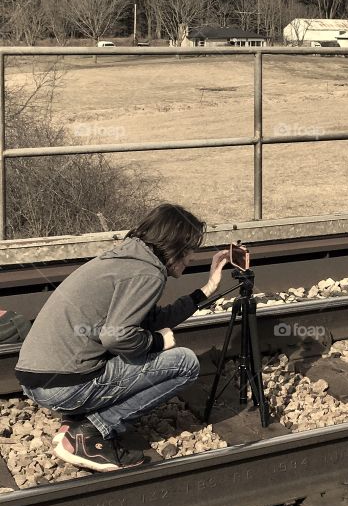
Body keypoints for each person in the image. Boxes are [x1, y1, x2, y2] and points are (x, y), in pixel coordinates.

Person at [15, 203, 230, 473]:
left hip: (39, 378)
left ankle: (77, 418)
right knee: (185, 363)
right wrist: (157, 343)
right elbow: (117, 337)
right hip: (62, 386)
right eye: (189, 250)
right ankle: (90, 431)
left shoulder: (127, 259)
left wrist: (207, 289)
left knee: (138, 352)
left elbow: (147, 320)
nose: (191, 259)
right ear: (174, 245)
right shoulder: (148, 274)